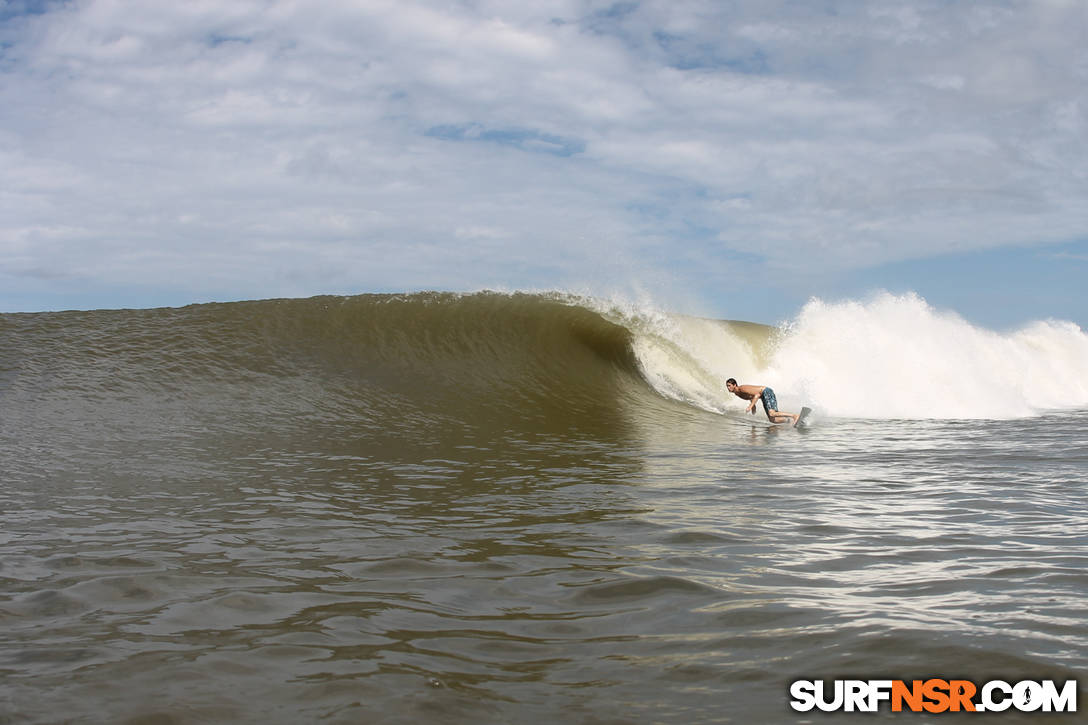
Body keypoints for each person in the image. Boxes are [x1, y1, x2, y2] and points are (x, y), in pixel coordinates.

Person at [725, 378, 800, 426]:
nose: (728, 388)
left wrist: (750, 406)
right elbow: (751, 396)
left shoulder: (742, 389)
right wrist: (753, 407)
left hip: (766, 392)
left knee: (772, 413)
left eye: (729, 385)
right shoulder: (737, 393)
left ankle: (794, 416)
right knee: (772, 419)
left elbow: (757, 394)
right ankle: (788, 421)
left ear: (734, 385)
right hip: (763, 396)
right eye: (727, 386)